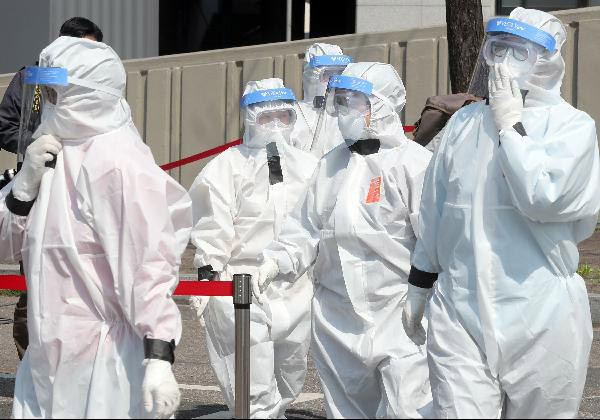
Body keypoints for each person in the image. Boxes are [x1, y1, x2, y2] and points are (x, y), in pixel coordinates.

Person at [402, 7, 600, 418]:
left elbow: (543, 198)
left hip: (540, 311)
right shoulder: (464, 123)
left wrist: (511, 125)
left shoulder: (571, 127)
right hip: (460, 307)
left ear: (548, 60)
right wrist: (420, 282)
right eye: (497, 48)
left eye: (518, 51)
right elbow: (436, 208)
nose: (503, 61)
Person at [0, 35, 192, 419]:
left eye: (54, 93)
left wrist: (159, 353)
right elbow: (6, 248)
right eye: (44, 93)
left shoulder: (120, 163)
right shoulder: (48, 154)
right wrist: (21, 190)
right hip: (43, 362)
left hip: (105, 367)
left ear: (85, 96)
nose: (46, 103)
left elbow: (148, 263)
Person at [256, 62, 433, 418]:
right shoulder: (329, 165)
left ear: (381, 104)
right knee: (346, 411)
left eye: (354, 100)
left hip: (400, 313)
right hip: (337, 319)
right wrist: (275, 261)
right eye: (340, 99)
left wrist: (422, 294)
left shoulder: (414, 164)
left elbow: (435, 242)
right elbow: (304, 229)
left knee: (409, 410)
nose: (343, 109)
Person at [188, 78, 318, 418]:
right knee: (252, 379)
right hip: (240, 284)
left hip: (295, 285)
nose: (275, 125)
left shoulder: (309, 166)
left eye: (282, 116)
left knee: (291, 374)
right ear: (249, 118)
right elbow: (212, 224)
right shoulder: (227, 166)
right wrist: (207, 278)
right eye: (265, 117)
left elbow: (318, 225)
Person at [0, 16, 104, 362]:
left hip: (84, 191)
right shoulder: (33, 80)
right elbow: (5, 125)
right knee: (36, 278)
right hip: (40, 184)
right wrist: (36, 147)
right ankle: (32, 360)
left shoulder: (99, 82)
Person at [291, 43, 352, 157]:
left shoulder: (350, 115)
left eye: (339, 74)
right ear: (311, 77)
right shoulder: (293, 115)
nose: (334, 81)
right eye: (328, 74)